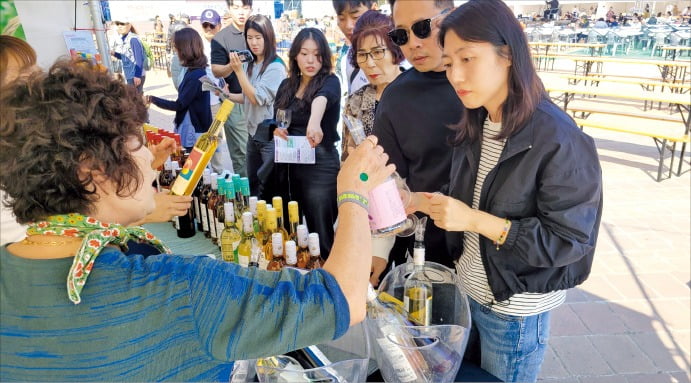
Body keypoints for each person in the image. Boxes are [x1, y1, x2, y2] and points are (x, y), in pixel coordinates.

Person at [0, 58, 395, 381]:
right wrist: (353, 194)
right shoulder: (181, 290)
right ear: (93, 171)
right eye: (137, 142)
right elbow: (340, 301)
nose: (147, 155)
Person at [409, 1, 603, 381]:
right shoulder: (480, 119)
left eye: (468, 59)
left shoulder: (559, 138)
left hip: (514, 310)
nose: (456, 76)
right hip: (469, 293)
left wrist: (474, 220)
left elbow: (569, 241)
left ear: (508, 55)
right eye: (449, 64)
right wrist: (416, 201)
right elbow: (474, 194)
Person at [372, 0, 460, 280]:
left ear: (452, 17)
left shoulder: (487, 85)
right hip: (429, 252)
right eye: (401, 35)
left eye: (423, 28)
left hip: (496, 253)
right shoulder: (396, 97)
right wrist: (379, 247)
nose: (413, 44)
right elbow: (387, 179)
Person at [273, 28, 341, 259]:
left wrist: (314, 122)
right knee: (291, 231)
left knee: (321, 235)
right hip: (289, 166)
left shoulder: (330, 81)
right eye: (304, 53)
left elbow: (322, 99)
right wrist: (276, 130)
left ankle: (328, 284)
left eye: (317, 54)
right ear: (295, 56)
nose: (311, 60)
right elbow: (278, 119)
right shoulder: (286, 85)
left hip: (320, 165)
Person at [225, 14, 287, 200]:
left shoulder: (275, 67)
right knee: (253, 184)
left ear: (268, 37)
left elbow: (255, 98)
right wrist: (225, 94)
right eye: (249, 37)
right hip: (253, 133)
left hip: (270, 136)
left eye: (258, 37)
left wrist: (237, 71)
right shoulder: (250, 64)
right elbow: (246, 96)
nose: (254, 42)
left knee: (269, 188)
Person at [342, 10, 404, 161]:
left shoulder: (418, 92)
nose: (369, 63)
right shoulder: (355, 103)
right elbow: (348, 161)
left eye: (377, 52)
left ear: (395, 49)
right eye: (362, 54)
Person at [147, 28, 211, 151]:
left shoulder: (195, 75)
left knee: (192, 165)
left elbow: (179, 104)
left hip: (192, 128)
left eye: (176, 47)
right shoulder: (194, 71)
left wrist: (153, 99)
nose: (175, 51)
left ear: (185, 49)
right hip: (191, 126)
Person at [212, 0, 253, 177]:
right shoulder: (221, 38)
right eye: (236, 7)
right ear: (229, 9)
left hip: (261, 99)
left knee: (263, 150)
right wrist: (233, 65)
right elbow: (216, 69)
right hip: (236, 101)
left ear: (251, 8)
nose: (241, 12)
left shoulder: (258, 31)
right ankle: (247, 194)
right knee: (241, 153)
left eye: (245, 7)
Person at [332, 0, 378, 95]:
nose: (348, 26)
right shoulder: (350, 55)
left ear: (373, 10)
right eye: (341, 18)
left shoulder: (397, 55)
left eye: (355, 17)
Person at [111, 16, 146, 93]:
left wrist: (137, 76)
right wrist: (114, 53)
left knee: (135, 101)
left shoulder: (133, 39)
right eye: (117, 24)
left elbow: (139, 59)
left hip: (135, 76)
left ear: (129, 25)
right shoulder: (124, 39)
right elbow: (126, 57)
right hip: (129, 75)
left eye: (122, 24)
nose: (119, 26)